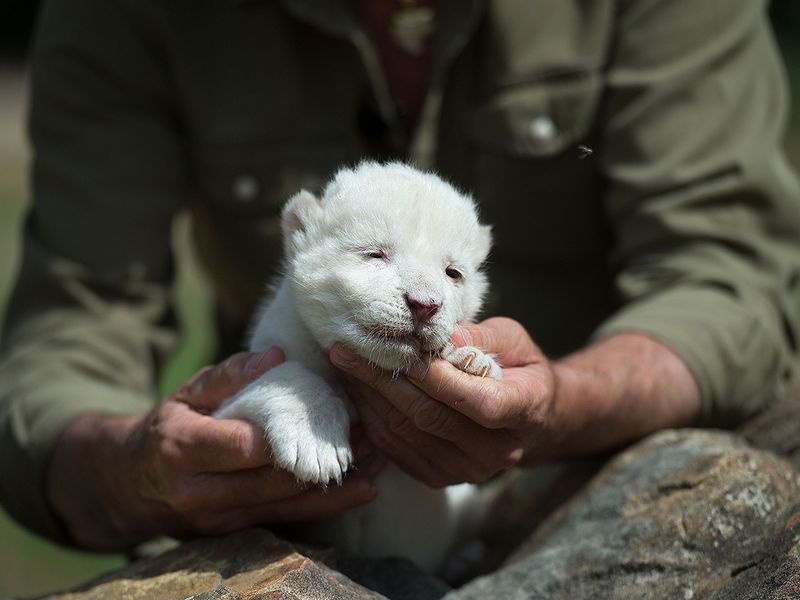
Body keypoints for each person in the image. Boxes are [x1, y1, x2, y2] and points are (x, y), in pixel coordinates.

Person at [1, 0, 799, 555]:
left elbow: (730, 271)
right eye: (375, 259)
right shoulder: (126, 18)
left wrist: (561, 402)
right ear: (302, 236)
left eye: (451, 274)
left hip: (588, 492)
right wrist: (131, 470)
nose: (423, 295)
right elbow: (72, 322)